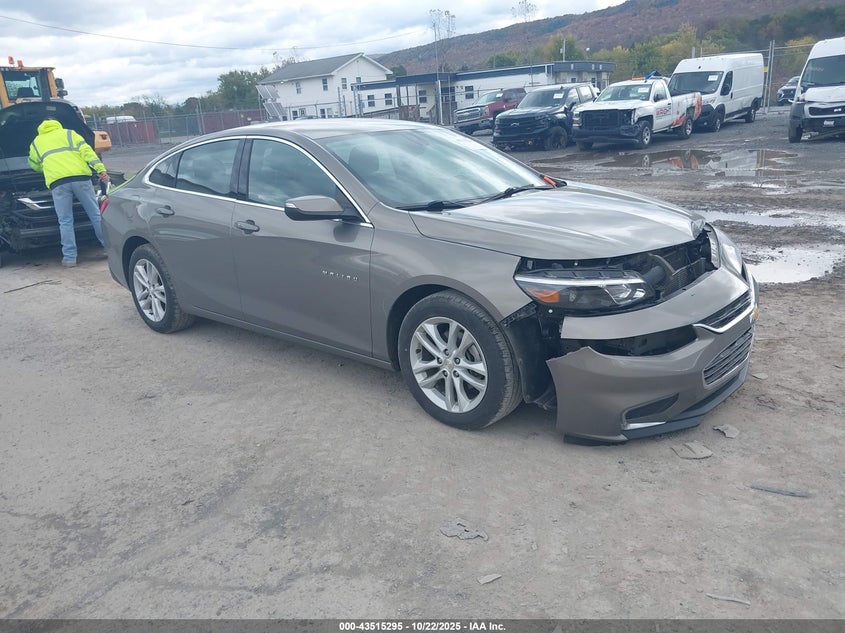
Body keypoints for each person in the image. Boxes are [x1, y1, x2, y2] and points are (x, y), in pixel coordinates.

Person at [28, 118, 110, 267]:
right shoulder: (70, 134)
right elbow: (88, 153)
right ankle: (109, 249)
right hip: (81, 178)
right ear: (58, 125)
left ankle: (70, 258)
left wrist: (47, 167)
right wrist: (100, 170)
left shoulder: (37, 142)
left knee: (65, 220)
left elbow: (34, 165)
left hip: (58, 182)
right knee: (95, 215)